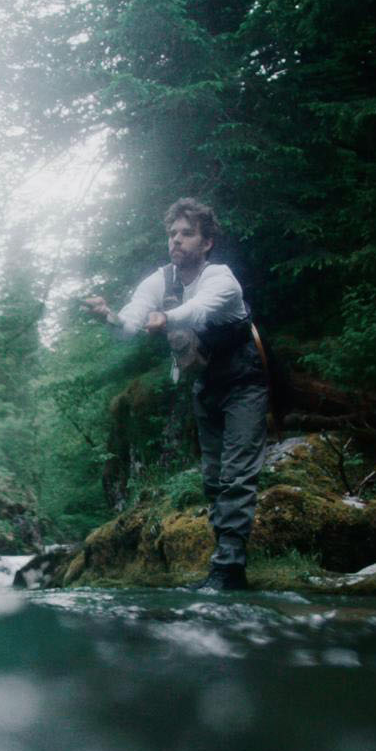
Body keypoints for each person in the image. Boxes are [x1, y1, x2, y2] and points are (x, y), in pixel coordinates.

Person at [84, 198, 268, 591]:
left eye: (187, 233)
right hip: (205, 384)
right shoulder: (159, 280)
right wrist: (110, 318)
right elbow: (134, 317)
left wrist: (167, 317)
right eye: (172, 234)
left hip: (245, 380)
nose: (177, 241)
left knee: (237, 475)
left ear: (206, 242)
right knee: (214, 478)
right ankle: (227, 567)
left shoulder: (221, 277)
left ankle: (228, 569)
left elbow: (200, 310)